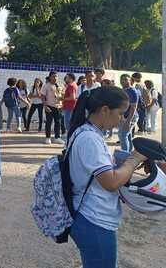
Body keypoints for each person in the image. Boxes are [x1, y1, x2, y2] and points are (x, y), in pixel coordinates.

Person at [67, 86, 147, 268]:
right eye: (120, 113)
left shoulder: (88, 132)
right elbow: (111, 182)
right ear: (104, 110)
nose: (122, 119)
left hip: (89, 217)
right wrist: (134, 159)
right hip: (93, 220)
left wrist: (131, 158)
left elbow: (101, 163)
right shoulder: (89, 139)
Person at [41, 72, 64, 145]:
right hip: (49, 106)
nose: (55, 78)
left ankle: (57, 137)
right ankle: (48, 138)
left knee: (58, 122)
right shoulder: (46, 86)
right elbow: (42, 96)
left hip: (58, 107)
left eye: (56, 76)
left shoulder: (60, 85)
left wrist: (62, 103)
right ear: (50, 77)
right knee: (49, 122)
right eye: (53, 76)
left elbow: (63, 96)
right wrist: (45, 106)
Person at [119, 74, 139, 152]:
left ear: (130, 80)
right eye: (122, 79)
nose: (123, 81)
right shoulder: (123, 90)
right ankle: (130, 154)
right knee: (127, 136)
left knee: (123, 135)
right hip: (124, 116)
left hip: (131, 117)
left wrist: (128, 121)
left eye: (126, 79)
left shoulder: (132, 91)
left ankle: (124, 156)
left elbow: (133, 107)